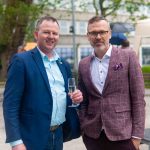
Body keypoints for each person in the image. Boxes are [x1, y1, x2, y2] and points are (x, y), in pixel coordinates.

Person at [3, 16, 83, 150]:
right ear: (36, 34)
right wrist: (16, 142)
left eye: (55, 33)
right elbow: (10, 105)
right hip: (31, 138)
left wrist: (76, 98)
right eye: (46, 32)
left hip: (58, 135)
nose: (51, 36)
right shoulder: (21, 61)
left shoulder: (63, 64)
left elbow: (67, 97)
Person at [78, 16, 145, 150]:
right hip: (93, 137)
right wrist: (84, 126)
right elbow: (84, 100)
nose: (98, 36)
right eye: (93, 33)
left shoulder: (128, 57)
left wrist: (137, 137)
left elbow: (138, 99)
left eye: (102, 32)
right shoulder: (83, 64)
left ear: (109, 34)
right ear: (88, 36)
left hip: (123, 136)